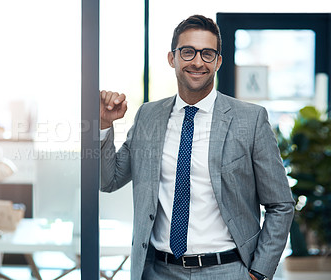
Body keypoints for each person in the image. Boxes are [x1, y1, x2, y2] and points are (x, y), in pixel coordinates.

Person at [100, 14, 294, 280]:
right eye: (188, 52)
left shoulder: (250, 120)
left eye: (207, 54)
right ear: (173, 58)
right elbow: (107, 180)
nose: (198, 62)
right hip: (158, 271)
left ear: (218, 62)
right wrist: (103, 125)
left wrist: (259, 272)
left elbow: (281, 204)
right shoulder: (148, 116)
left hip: (227, 271)